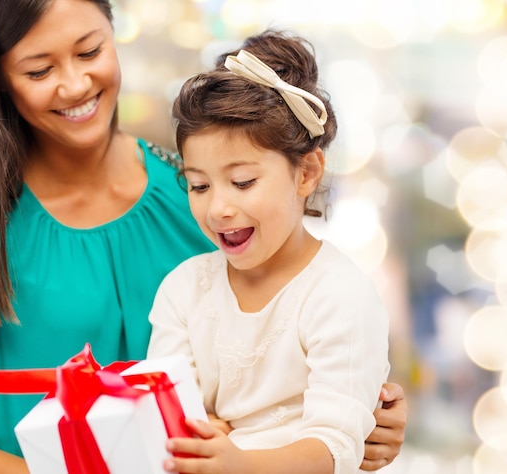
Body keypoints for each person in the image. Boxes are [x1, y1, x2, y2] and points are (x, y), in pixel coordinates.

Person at [0, 1, 406, 473]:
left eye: (90, 52)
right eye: (38, 71)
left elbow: (293, 347)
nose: (74, 84)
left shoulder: (201, 198)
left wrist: (370, 413)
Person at [146, 29, 392, 474]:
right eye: (198, 185)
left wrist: (239, 462)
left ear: (306, 173)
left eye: (243, 182)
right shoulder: (184, 290)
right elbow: (165, 419)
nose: (218, 208)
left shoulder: (339, 295)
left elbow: (335, 447)